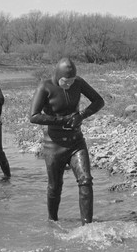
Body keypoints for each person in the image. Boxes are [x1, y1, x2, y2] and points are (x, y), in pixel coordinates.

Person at [30, 57, 104, 225]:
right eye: (65, 81)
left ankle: (87, 225)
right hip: (53, 144)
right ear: (57, 76)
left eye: (71, 81)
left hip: (76, 141)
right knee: (55, 187)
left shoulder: (78, 83)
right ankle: (52, 221)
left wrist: (82, 115)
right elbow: (33, 116)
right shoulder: (45, 86)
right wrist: (61, 120)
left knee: (86, 180)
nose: (69, 84)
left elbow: (99, 101)